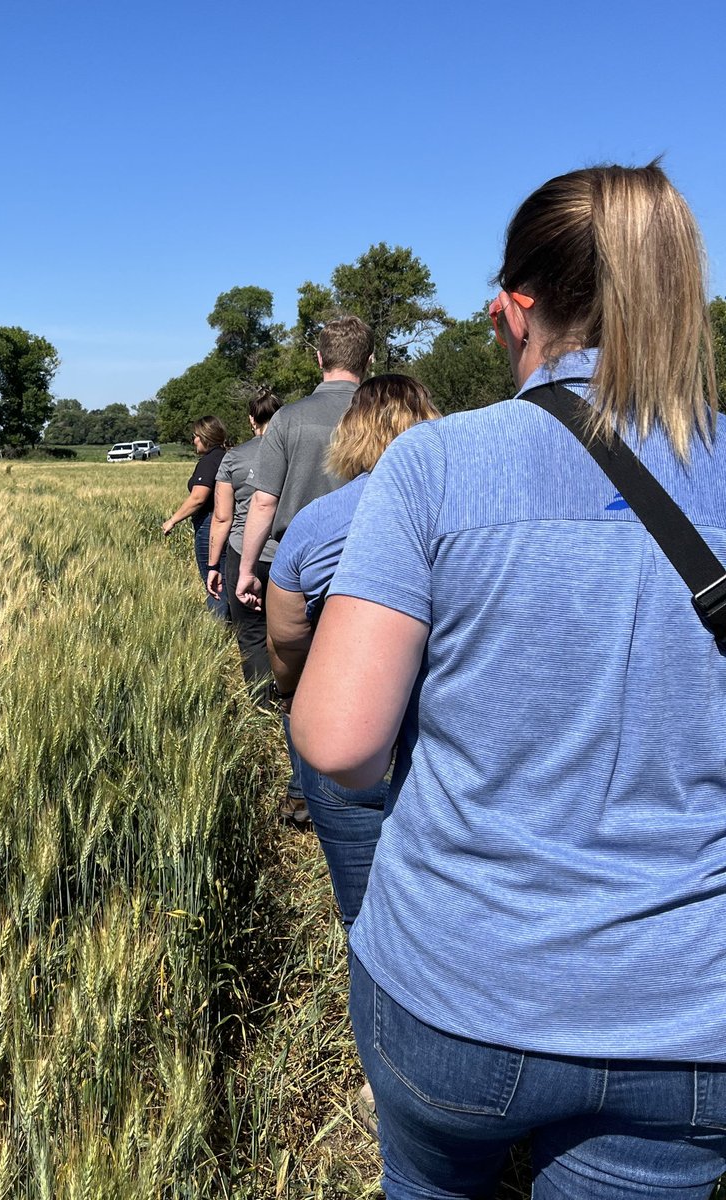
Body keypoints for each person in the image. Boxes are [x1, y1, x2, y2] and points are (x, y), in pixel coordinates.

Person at [293, 163, 726, 1198]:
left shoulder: (436, 464)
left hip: (457, 988)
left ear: (513, 307)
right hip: (691, 1016)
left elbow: (339, 741)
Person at [267, 375, 440, 930]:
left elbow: (287, 638)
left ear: (349, 437)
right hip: (445, 746)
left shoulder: (315, 523)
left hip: (348, 740)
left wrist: (295, 694)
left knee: (364, 918)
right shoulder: (464, 510)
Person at [205, 389, 308, 822]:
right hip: (291, 553)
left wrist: (215, 565)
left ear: (251, 420)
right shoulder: (297, 445)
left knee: (251, 634)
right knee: (293, 638)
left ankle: (262, 706)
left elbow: (224, 517)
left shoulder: (234, 459)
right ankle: (298, 707)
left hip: (243, 555)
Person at [235, 314, 374, 612]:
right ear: (369, 360)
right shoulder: (385, 420)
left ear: (319, 358)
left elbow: (263, 502)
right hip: (365, 563)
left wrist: (246, 571)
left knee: (294, 656)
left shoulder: (287, 418)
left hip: (297, 565)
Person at [161, 415, 230, 619]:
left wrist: (172, 520)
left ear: (204, 437)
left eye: (195, 436)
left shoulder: (208, 462)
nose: (194, 441)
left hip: (210, 525)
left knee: (214, 581)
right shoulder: (226, 457)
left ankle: (218, 628)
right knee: (226, 578)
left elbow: (198, 498)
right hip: (228, 524)